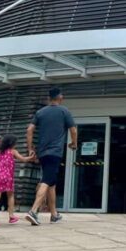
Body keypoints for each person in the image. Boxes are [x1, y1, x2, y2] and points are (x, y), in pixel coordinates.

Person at [24, 87, 77, 225]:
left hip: (42, 153)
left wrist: (30, 149)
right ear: (60, 97)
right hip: (55, 153)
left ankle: (54, 214)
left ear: (49, 98)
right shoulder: (64, 111)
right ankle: (33, 211)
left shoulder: (40, 112)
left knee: (51, 183)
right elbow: (73, 130)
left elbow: (29, 130)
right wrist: (74, 143)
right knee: (47, 180)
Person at [0, 135, 31, 226]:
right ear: (11, 144)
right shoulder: (13, 151)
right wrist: (31, 158)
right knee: (10, 195)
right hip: (7, 176)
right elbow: (23, 159)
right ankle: (11, 216)